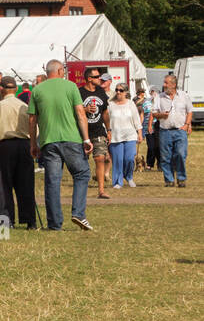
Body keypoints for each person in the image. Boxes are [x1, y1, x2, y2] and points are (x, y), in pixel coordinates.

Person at [28, 58, 93, 231]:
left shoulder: (37, 90)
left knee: (52, 181)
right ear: (59, 71)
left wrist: (33, 144)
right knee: (82, 174)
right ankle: (78, 213)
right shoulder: (71, 86)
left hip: (49, 141)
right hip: (71, 138)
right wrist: (86, 139)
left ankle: (54, 223)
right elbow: (80, 113)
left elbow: (32, 120)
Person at [0, 77, 36, 229]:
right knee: (25, 184)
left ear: (1, 89)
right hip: (24, 145)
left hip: (5, 146)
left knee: (3, 185)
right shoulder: (24, 106)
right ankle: (30, 220)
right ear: (16, 90)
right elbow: (35, 130)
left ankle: (6, 220)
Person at [78, 67, 110, 200]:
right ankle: (81, 191)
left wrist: (109, 130)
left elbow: (105, 113)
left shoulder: (101, 92)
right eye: (97, 77)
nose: (100, 79)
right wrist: (85, 109)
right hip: (81, 132)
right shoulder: (79, 92)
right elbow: (73, 111)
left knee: (100, 158)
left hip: (98, 131)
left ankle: (101, 190)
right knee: (81, 162)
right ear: (89, 78)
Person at [153, 73, 190, 187]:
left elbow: (189, 111)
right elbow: (154, 113)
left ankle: (181, 178)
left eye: (166, 83)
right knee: (165, 157)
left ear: (173, 85)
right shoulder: (159, 97)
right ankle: (169, 180)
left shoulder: (184, 96)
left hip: (180, 131)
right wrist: (161, 115)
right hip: (165, 131)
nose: (164, 85)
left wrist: (187, 125)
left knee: (180, 154)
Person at [106, 84, 141, 188]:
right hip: (115, 136)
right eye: (116, 90)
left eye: (121, 90)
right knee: (118, 160)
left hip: (130, 136)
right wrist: (107, 132)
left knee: (129, 158)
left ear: (126, 92)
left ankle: (129, 176)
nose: (118, 92)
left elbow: (136, 119)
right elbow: (106, 120)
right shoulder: (110, 104)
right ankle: (117, 181)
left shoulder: (131, 104)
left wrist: (139, 133)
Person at [141, 88, 159, 170]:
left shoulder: (160, 102)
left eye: (155, 92)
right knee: (151, 146)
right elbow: (142, 114)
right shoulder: (146, 102)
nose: (154, 94)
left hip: (159, 127)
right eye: (152, 92)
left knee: (158, 146)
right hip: (147, 127)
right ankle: (149, 164)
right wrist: (140, 127)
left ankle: (160, 164)